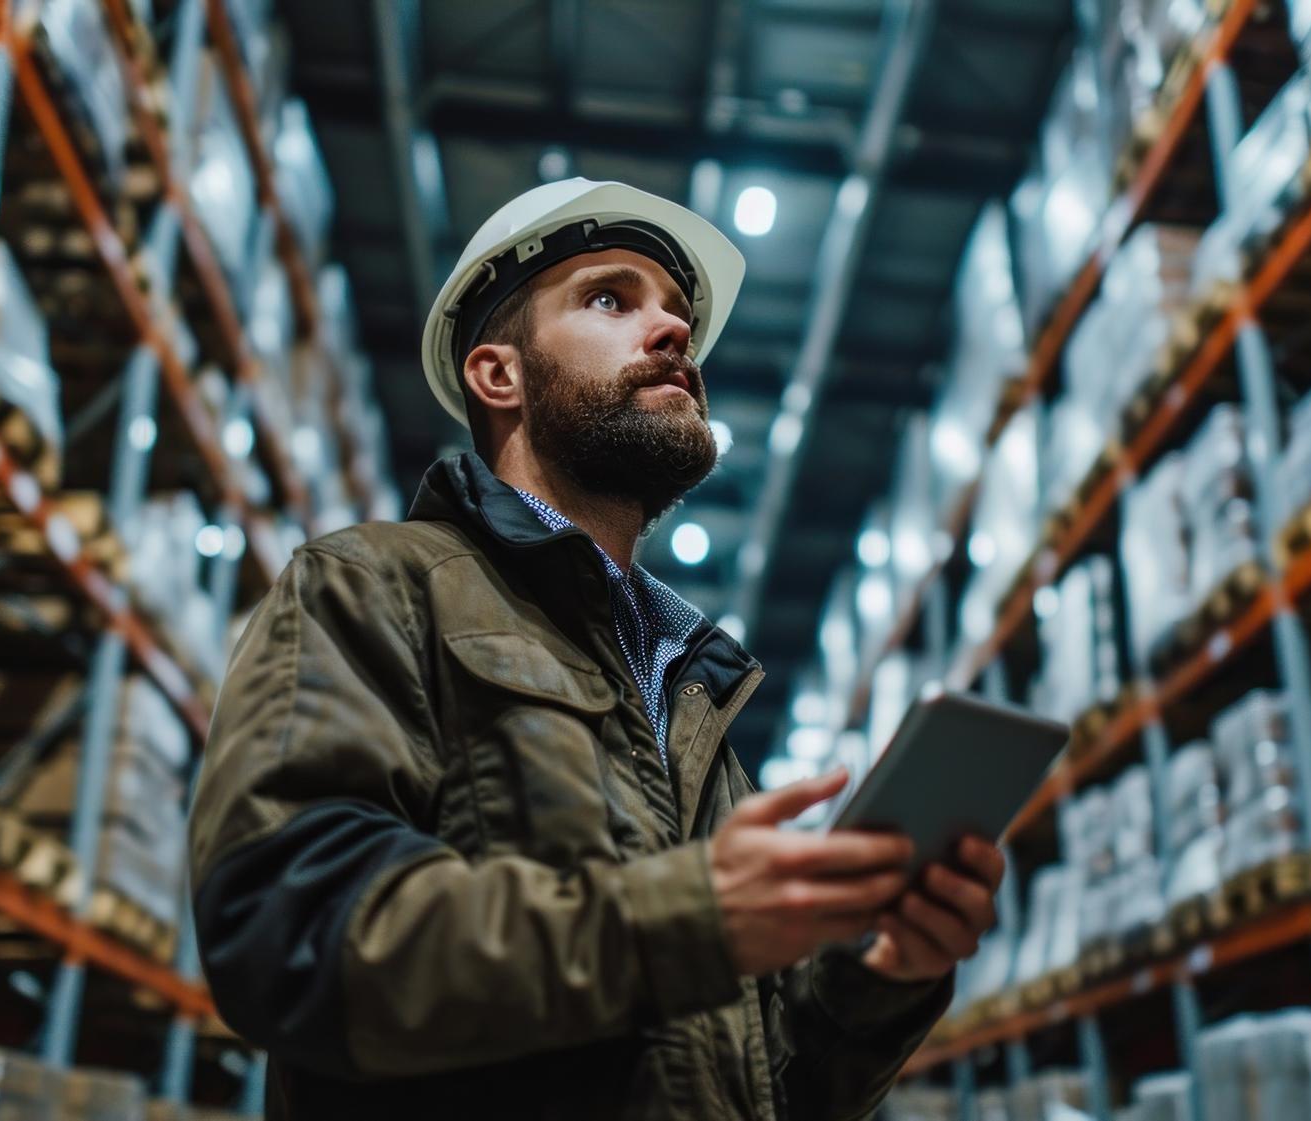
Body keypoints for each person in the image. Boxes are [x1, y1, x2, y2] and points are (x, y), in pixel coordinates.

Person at [189, 178, 1006, 1120]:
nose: (672, 335)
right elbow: (286, 934)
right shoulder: (374, 586)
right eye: (611, 299)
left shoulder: (690, 698)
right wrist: (686, 920)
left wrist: (882, 980)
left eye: (679, 317)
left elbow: (763, 1094)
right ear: (499, 375)